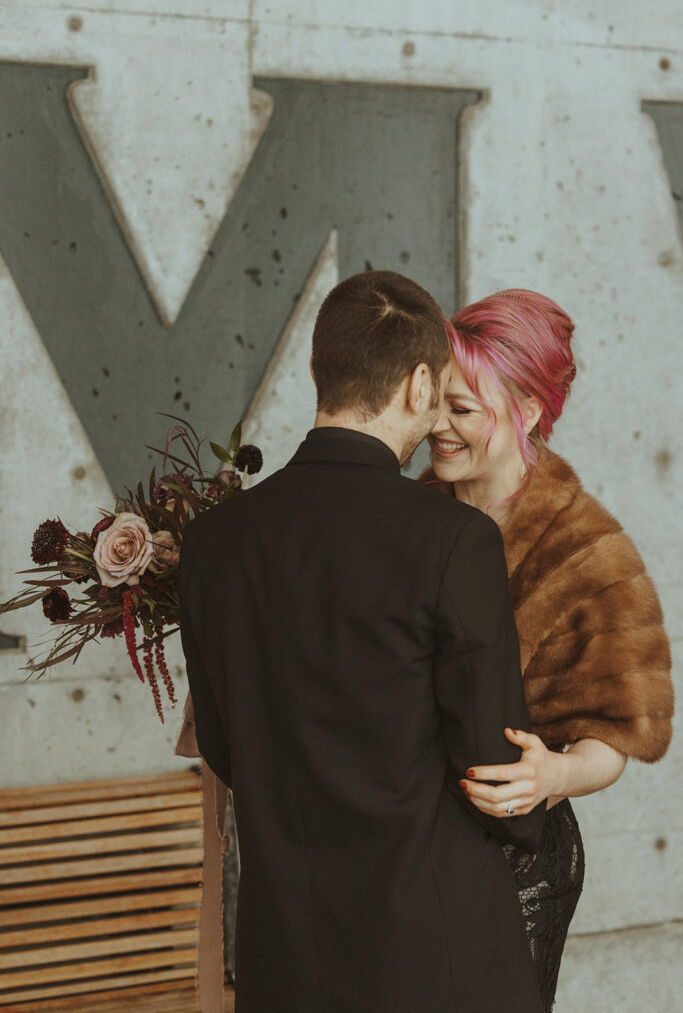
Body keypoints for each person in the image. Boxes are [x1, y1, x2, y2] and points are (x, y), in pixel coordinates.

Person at [179, 270, 546, 1013]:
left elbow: (222, 743)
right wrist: (535, 812)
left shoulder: (213, 541)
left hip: (285, 954)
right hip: (431, 951)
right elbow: (494, 766)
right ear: (418, 385)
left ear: (318, 372)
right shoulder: (453, 541)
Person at [421, 288, 674, 1011]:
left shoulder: (586, 552)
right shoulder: (408, 515)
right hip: (406, 853)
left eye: (461, 409)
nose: (437, 426)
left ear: (527, 411)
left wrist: (554, 774)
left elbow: (618, 737)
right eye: (434, 402)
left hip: (518, 864)